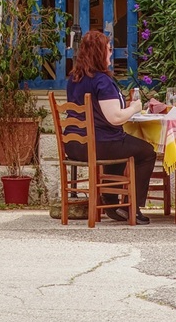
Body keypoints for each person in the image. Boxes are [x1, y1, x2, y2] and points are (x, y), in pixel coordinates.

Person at [64, 31, 157, 224]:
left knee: (121, 146)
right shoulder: (101, 80)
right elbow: (115, 118)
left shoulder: (74, 78)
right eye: (108, 49)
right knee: (147, 152)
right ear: (99, 52)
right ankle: (130, 206)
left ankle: (112, 202)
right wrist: (135, 107)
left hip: (73, 144)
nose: (110, 53)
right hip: (97, 143)